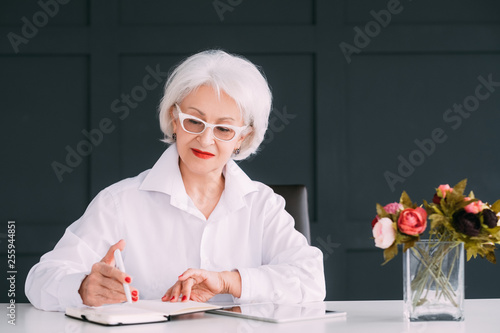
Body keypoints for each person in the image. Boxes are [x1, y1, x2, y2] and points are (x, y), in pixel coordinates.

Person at [25, 49, 326, 311]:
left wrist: (228, 281)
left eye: (223, 129)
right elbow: (40, 279)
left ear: (243, 137)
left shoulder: (262, 205)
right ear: (173, 118)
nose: (205, 139)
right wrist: (82, 288)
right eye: (194, 121)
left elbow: (311, 281)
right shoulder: (119, 203)